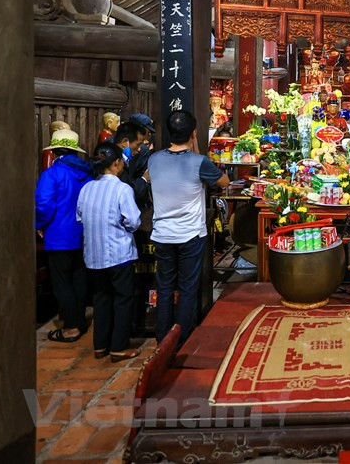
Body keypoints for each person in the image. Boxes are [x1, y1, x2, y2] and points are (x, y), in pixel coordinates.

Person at [149, 111, 230, 344]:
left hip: (162, 234)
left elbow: (151, 178)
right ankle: (182, 339)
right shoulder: (199, 162)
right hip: (190, 235)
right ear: (193, 133)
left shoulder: (154, 160)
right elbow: (223, 182)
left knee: (164, 289)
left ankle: (162, 338)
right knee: (187, 288)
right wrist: (196, 152)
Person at [77, 143, 141, 362]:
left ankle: (100, 345)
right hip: (118, 253)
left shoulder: (87, 188)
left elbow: (80, 217)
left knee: (101, 298)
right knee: (123, 299)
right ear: (116, 163)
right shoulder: (122, 189)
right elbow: (133, 221)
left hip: (93, 254)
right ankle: (119, 346)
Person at [35, 129, 92, 342]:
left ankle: (70, 327)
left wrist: (39, 224)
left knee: (61, 283)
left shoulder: (51, 174)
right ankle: (79, 320)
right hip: (83, 234)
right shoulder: (87, 173)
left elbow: (44, 204)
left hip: (59, 236)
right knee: (79, 278)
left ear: (56, 150)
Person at [114, 121, 150, 204]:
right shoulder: (115, 162)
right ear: (124, 142)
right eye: (138, 144)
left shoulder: (128, 159)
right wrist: (144, 179)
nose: (140, 149)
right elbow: (127, 191)